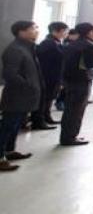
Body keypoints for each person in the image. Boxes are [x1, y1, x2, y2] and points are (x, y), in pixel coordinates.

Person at [0, 21, 42, 172]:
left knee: (15, 125)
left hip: (25, 96)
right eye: (33, 28)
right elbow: (10, 74)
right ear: (21, 32)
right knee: (7, 126)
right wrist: (28, 86)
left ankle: (9, 151)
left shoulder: (27, 48)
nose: (36, 31)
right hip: (17, 96)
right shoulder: (15, 49)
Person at [60, 23, 93, 146]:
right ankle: (70, 137)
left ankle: (66, 135)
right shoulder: (90, 46)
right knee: (77, 110)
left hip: (70, 80)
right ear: (89, 32)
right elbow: (90, 65)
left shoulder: (71, 44)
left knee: (69, 110)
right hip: (82, 80)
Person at [31, 21, 68, 129]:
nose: (66, 33)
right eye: (64, 31)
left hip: (54, 76)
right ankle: (38, 121)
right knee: (44, 99)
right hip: (48, 76)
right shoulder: (48, 43)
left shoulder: (56, 42)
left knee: (50, 98)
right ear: (56, 31)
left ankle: (46, 117)